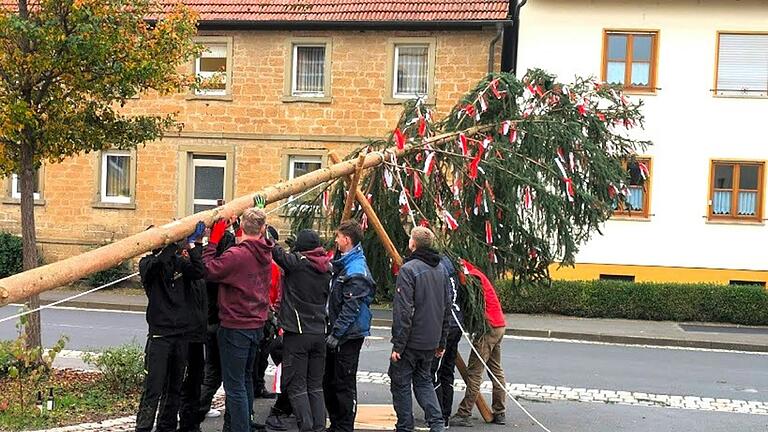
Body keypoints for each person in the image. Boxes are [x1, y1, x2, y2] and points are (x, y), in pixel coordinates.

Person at [203, 205, 273, 432]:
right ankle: (244, 425)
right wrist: (235, 226)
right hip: (256, 324)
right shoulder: (265, 251)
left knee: (234, 387)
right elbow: (247, 243)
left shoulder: (237, 255)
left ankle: (241, 428)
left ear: (242, 227)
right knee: (245, 380)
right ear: (263, 229)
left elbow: (209, 269)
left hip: (236, 325)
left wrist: (213, 241)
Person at [135, 224, 205, 432]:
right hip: (159, 336)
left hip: (180, 335)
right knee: (153, 388)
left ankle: (166, 427)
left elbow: (198, 271)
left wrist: (194, 245)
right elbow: (157, 265)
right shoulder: (147, 263)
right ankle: (143, 427)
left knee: (174, 388)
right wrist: (171, 243)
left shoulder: (178, 263)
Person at [389, 227, 450, 432]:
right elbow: (446, 308)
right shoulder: (441, 269)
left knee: (401, 383)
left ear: (412, 244)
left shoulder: (409, 269)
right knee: (424, 381)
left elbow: (403, 311)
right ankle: (437, 423)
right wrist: (441, 342)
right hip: (430, 339)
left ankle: (405, 426)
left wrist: (398, 345)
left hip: (411, 340)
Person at [324, 220, 375, 432]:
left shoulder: (356, 269)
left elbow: (351, 307)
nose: (335, 240)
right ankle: (336, 423)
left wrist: (336, 333)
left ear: (347, 239)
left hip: (348, 335)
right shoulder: (344, 262)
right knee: (330, 381)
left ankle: (344, 427)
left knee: (343, 382)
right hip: (338, 331)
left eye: (338, 237)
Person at [450, 260, 508, 427]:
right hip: (498, 325)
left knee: (474, 371)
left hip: (487, 328)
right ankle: (500, 412)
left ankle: (464, 413)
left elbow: (470, 302)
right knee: (496, 370)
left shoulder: (473, 279)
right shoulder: (478, 275)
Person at [196, 223, 237, 424]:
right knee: (227, 377)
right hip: (224, 326)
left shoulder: (212, 270)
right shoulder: (223, 271)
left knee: (213, 374)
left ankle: (195, 414)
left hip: (211, 325)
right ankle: (198, 414)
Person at [431, 256, 463, 427]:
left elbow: (444, 302)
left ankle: (440, 417)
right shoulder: (452, 270)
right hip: (456, 323)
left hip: (447, 325)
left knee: (434, 373)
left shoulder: (440, 270)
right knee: (447, 372)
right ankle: (445, 415)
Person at [252, 226, 282, 400]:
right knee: (255, 357)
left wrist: (274, 311)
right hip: (256, 314)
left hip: (267, 316)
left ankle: (258, 385)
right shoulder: (256, 263)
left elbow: (278, 291)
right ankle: (254, 385)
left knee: (263, 356)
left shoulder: (275, 268)